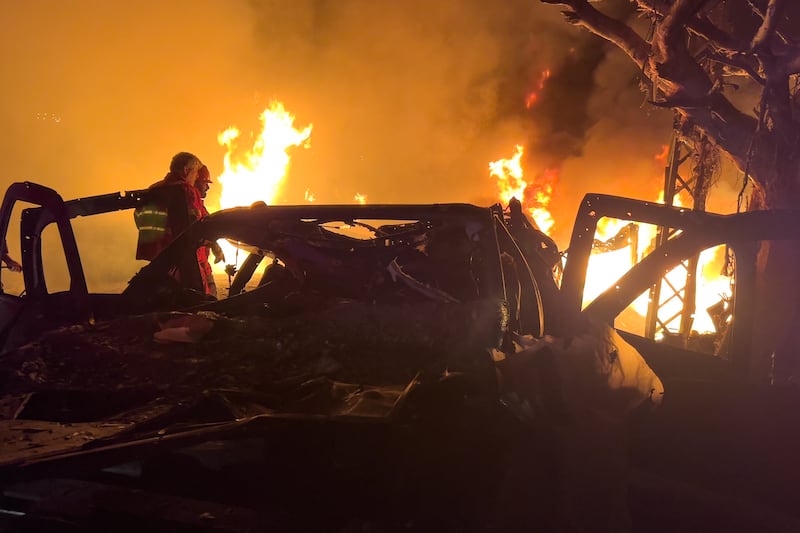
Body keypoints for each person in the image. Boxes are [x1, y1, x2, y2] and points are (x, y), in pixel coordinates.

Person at [195, 165, 225, 298]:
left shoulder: (199, 207)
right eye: (205, 183)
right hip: (196, 264)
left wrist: (215, 246)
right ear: (196, 181)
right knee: (206, 302)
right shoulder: (192, 206)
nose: (207, 187)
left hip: (202, 263)